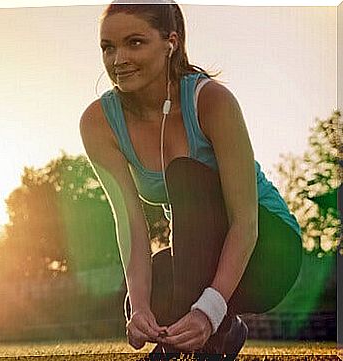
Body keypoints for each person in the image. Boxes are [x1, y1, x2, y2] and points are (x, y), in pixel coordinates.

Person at [79, 1, 303, 358]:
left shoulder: (211, 101)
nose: (118, 59)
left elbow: (246, 222)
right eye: (108, 47)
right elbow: (131, 224)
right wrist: (139, 307)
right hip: (196, 259)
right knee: (147, 295)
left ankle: (198, 339)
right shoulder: (98, 123)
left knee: (185, 175)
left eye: (134, 42)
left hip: (268, 248)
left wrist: (206, 310)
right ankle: (225, 331)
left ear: (172, 43)